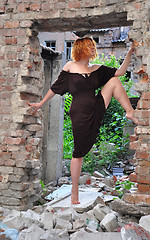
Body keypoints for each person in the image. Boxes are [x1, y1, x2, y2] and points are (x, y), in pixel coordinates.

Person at [28, 37, 138, 204]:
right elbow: (55, 88)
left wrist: (129, 53)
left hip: (96, 106)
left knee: (114, 80)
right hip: (79, 112)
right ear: (80, 48)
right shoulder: (70, 67)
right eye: (89, 46)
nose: (93, 49)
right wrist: (41, 104)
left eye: (93, 46)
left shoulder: (97, 69)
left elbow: (120, 72)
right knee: (79, 152)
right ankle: (74, 190)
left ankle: (130, 112)